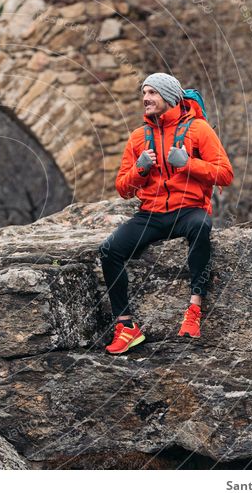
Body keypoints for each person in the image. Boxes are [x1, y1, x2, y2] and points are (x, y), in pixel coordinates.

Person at [98, 72, 234, 353]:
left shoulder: (198, 130)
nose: (145, 98)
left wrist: (188, 164)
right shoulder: (138, 137)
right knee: (109, 249)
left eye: (152, 93)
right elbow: (123, 188)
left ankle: (194, 310)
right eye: (144, 93)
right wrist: (140, 169)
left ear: (169, 97)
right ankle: (126, 327)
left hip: (189, 211)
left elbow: (225, 174)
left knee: (200, 227)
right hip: (152, 215)